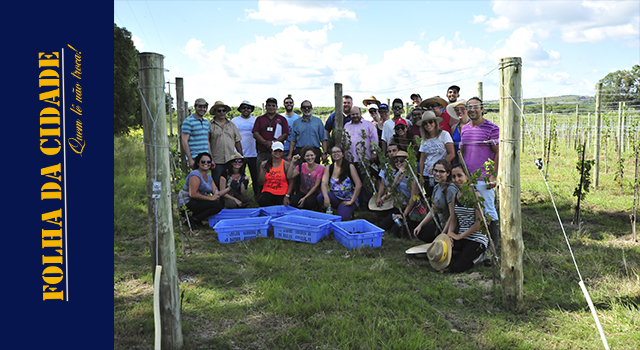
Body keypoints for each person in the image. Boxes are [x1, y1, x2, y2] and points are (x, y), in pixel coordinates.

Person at [460, 97, 500, 249]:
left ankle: (493, 247)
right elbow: (463, 151)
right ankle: (479, 243)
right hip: (468, 177)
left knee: (489, 210)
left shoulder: (492, 128)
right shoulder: (464, 128)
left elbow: (498, 153)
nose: (472, 110)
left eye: (475, 107)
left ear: (482, 108)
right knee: (474, 210)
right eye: (469, 107)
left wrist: (493, 175)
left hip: (484, 177)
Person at [443, 164, 488, 273]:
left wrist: (459, 236)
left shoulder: (476, 196)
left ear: (467, 176)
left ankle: (480, 257)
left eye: (459, 176)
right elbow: (453, 219)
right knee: (443, 256)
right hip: (462, 238)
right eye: (453, 177)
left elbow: (479, 223)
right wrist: (449, 235)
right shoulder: (455, 196)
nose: (456, 179)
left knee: (456, 268)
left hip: (476, 239)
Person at [411, 159, 457, 243]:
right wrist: (420, 225)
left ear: (448, 173)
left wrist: (443, 234)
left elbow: (452, 215)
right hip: (440, 225)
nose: (437, 174)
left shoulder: (450, 189)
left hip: (451, 228)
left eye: (441, 172)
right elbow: (433, 209)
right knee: (421, 232)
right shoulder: (436, 187)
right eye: (435, 170)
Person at [177, 152, 228, 226]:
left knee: (220, 202)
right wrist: (210, 198)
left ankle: (197, 219)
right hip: (188, 203)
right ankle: (193, 219)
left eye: (208, 162)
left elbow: (216, 193)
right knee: (215, 205)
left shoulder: (209, 178)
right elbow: (192, 194)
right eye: (203, 161)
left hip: (198, 201)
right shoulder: (195, 175)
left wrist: (230, 188)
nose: (206, 163)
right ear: (198, 163)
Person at [343, 105, 378, 208]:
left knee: (366, 183)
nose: (355, 116)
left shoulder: (369, 125)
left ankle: (366, 205)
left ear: (360, 114)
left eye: (356, 114)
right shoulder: (347, 126)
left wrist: (374, 152)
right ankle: (355, 204)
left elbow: (374, 139)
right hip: (350, 160)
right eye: (353, 114)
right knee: (353, 183)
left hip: (364, 159)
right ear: (350, 115)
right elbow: (343, 141)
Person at [253, 97, 290, 193]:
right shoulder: (260, 119)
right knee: (262, 172)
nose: (271, 107)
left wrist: (274, 144)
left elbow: (285, 134)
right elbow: (255, 133)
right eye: (269, 105)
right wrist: (265, 142)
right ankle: (261, 194)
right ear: (265, 107)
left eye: (273, 105)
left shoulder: (282, 119)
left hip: (277, 152)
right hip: (263, 151)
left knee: (277, 174)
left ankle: (278, 192)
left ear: (277, 107)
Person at [317, 146, 362, 221]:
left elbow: (358, 184)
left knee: (342, 218)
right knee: (320, 197)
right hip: (335, 197)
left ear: (343, 154)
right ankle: (331, 209)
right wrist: (326, 197)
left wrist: (352, 201)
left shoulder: (349, 166)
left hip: (347, 199)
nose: (336, 154)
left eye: (338, 151)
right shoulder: (329, 168)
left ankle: (345, 210)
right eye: (333, 152)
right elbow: (324, 183)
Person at [374, 151, 413, 234]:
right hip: (397, 207)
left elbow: (413, 198)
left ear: (407, 162)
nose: (399, 163)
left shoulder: (412, 177)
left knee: (394, 232)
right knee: (382, 226)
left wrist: (404, 214)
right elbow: (390, 190)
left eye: (401, 161)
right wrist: (398, 175)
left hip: (408, 209)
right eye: (396, 161)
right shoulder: (396, 175)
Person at [417, 111, 454, 198]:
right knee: (430, 196)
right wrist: (421, 176)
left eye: (430, 122)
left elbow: (451, 154)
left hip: (440, 173)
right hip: (427, 173)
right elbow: (422, 159)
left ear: (435, 122)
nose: (428, 125)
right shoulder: (424, 140)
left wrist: (438, 167)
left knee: (442, 197)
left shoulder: (444, 135)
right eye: (425, 123)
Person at [208, 101, 243, 188]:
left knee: (231, 182)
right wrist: (210, 158)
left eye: (223, 110)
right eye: (219, 111)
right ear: (215, 112)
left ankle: (230, 199)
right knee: (217, 182)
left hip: (230, 159)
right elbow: (207, 142)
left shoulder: (231, 125)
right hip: (217, 159)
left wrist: (241, 157)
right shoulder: (209, 125)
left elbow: (237, 141)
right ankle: (218, 200)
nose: (222, 113)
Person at [231, 100, 259, 195]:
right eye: (244, 108)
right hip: (238, 154)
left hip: (253, 153)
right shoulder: (234, 121)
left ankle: (257, 195)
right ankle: (239, 195)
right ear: (240, 109)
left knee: (255, 176)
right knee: (239, 176)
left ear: (251, 109)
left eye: (248, 108)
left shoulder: (256, 120)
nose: (246, 110)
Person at [287, 100, 328, 164]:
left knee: (315, 173)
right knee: (299, 172)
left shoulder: (318, 122)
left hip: (315, 152)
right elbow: (293, 140)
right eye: (304, 107)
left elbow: (323, 139)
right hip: (300, 152)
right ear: (301, 109)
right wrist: (290, 154)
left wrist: (324, 153)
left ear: (311, 108)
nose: (307, 109)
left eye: (308, 107)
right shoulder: (296, 123)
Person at [285, 145, 325, 210]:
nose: (310, 158)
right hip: (303, 192)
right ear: (304, 157)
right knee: (294, 203)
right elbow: (289, 176)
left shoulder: (321, 168)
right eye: (307, 156)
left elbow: (316, 186)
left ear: (315, 155)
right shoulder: (301, 166)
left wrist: (305, 198)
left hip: (314, 193)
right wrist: (292, 162)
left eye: (312, 155)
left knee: (308, 203)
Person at [181, 98, 212, 169]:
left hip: (205, 157)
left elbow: (207, 141)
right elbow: (184, 141)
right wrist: (190, 159)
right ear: (195, 107)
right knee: (196, 177)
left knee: (204, 178)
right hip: (195, 157)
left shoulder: (206, 122)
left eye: (204, 107)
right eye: (200, 107)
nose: (202, 109)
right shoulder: (188, 121)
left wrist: (210, 157)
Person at [258, 141, 290, 207]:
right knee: (263, 201)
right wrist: (263, 170)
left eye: (280, 151)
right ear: (272, 151)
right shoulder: (264, 164)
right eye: (275, 151)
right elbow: (260, 182)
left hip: (282, 192)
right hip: (268, 191)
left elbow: (291, 182)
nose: (277, 153)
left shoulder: (286, 165)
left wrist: (287, 196)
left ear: (283, 152)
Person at [446, 100, 468, 165]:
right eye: (457, 109)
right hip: (457, 163)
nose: (459, 111)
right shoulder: (454, 128)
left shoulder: (474, 126)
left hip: (471, 162)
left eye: (462, 108)